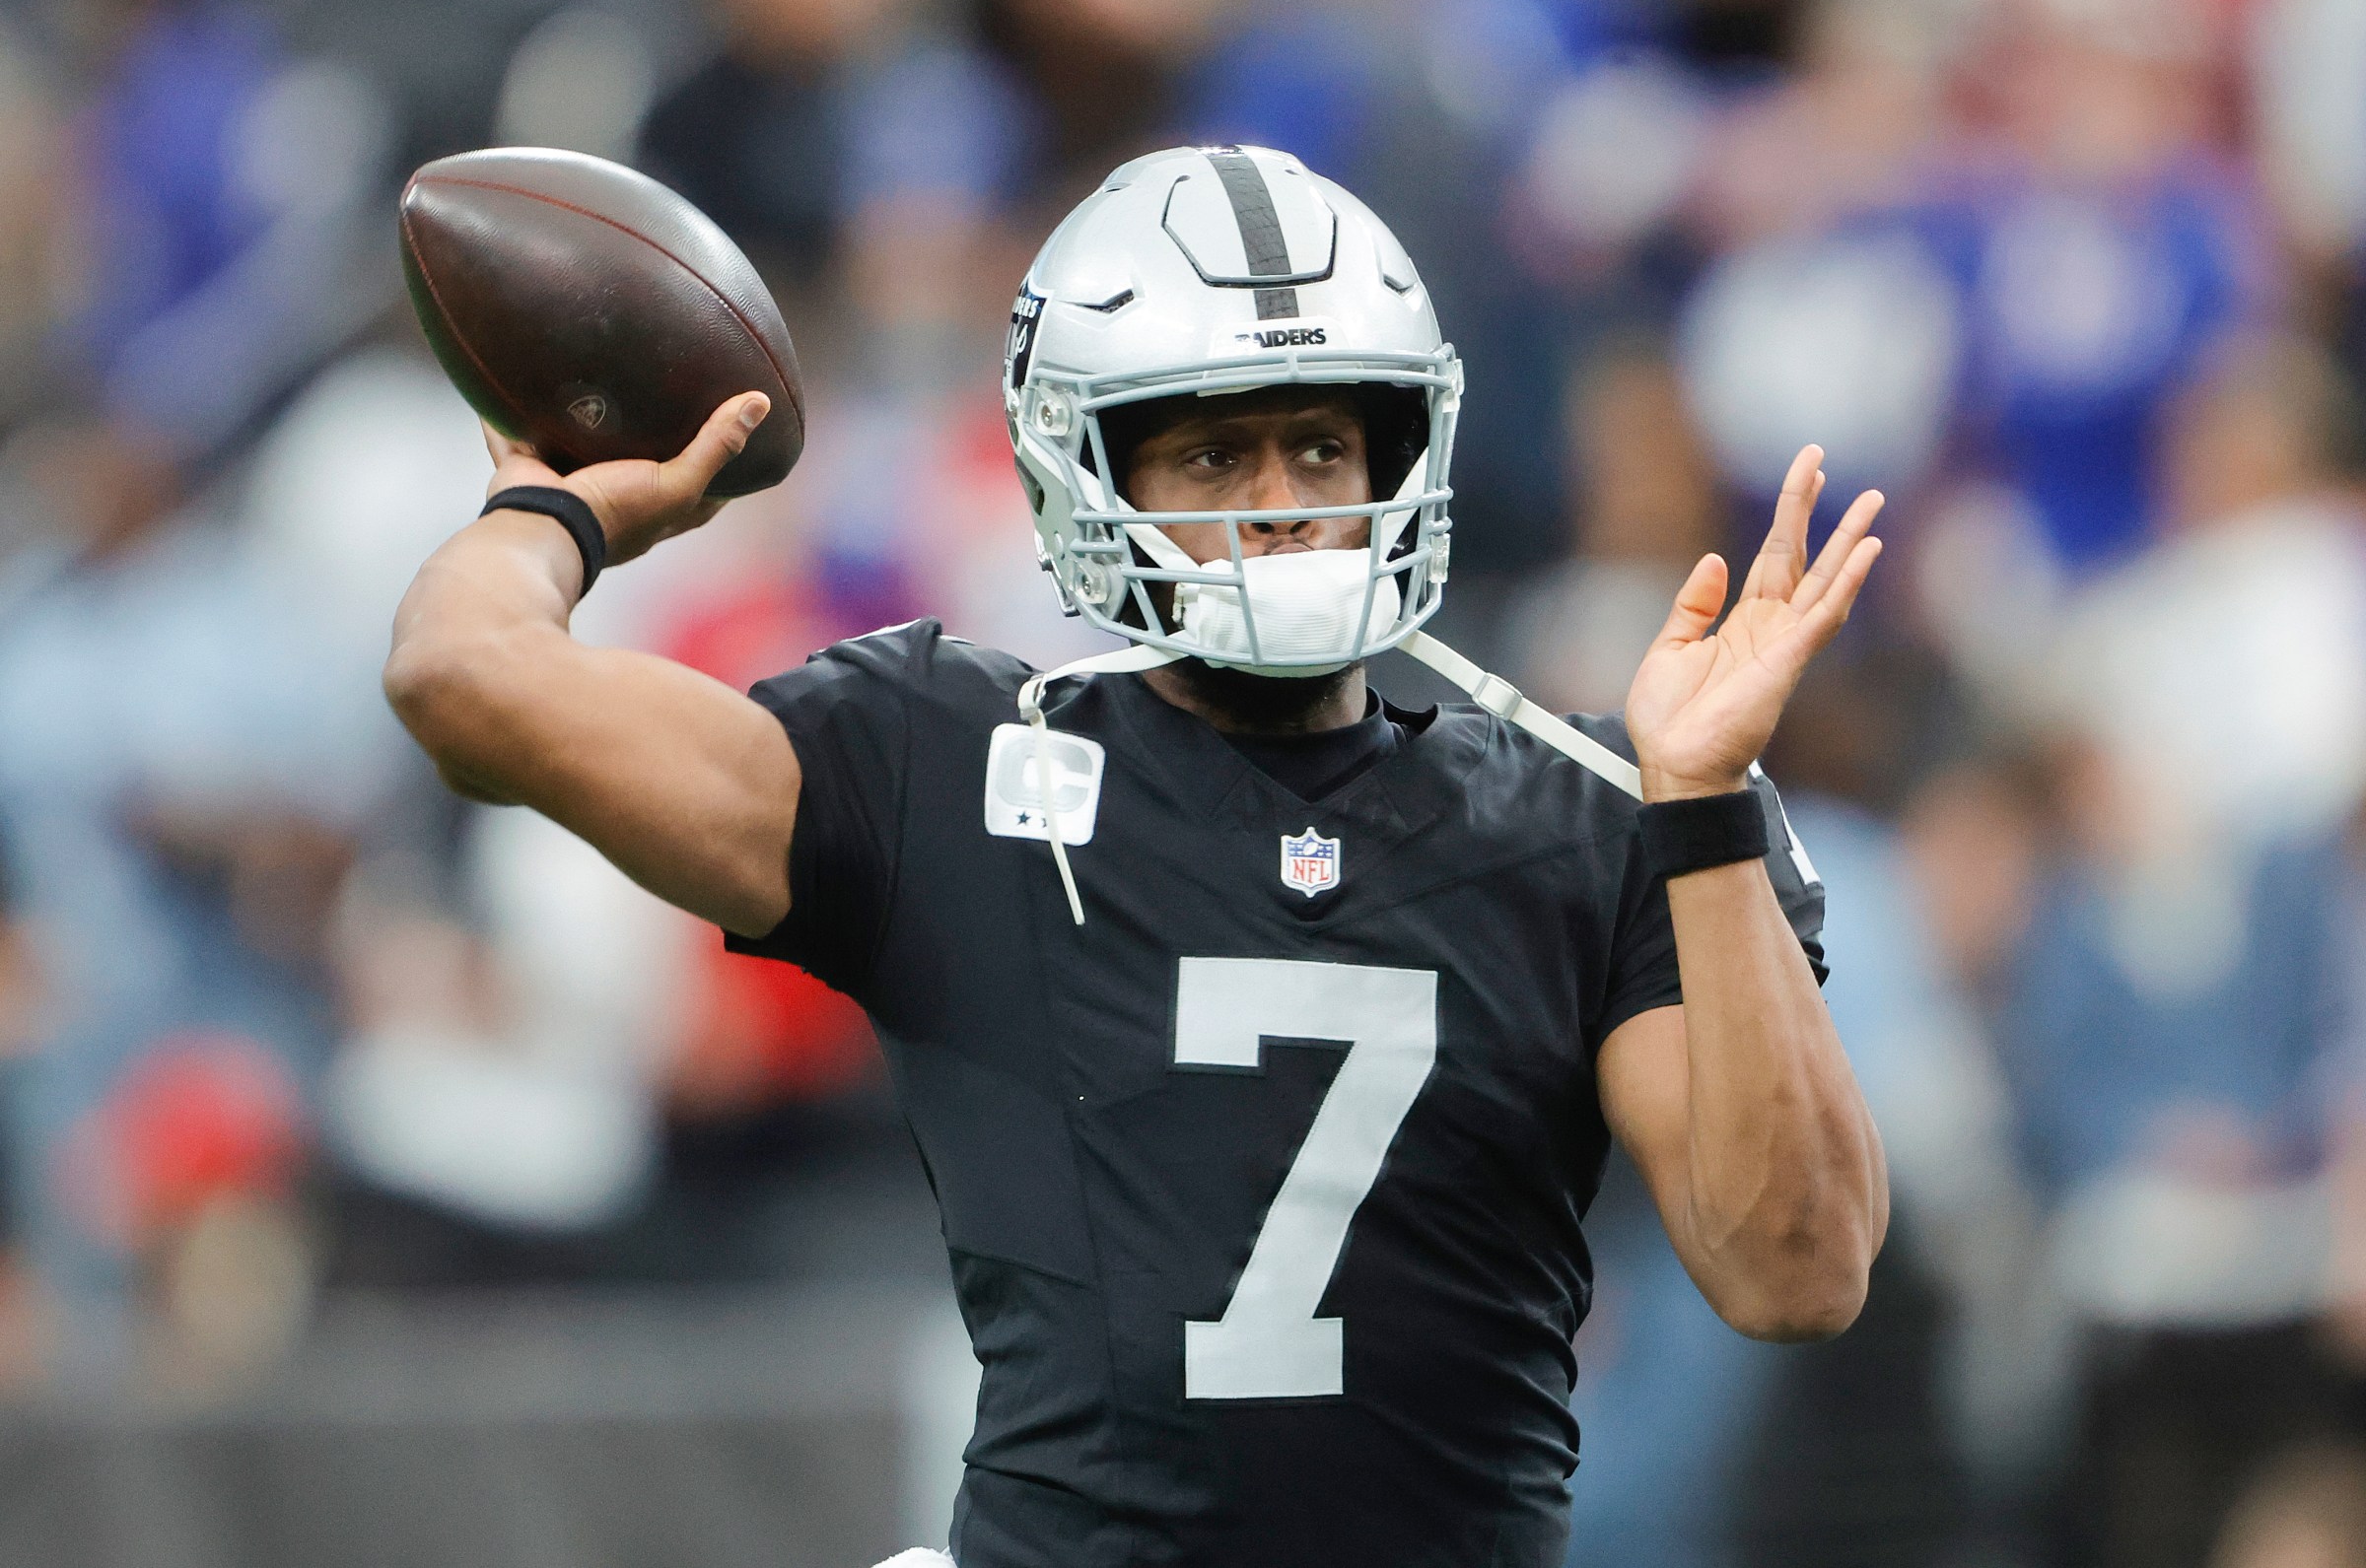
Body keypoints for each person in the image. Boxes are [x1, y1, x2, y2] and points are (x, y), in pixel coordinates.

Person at [383, 145, 1889, 1568]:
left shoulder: (1596, 805)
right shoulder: (947, 759)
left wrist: (1702, 806)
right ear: (1085, 474)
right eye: (1215, 453)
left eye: (1321, 441)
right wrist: (554, 514)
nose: (1287, 505)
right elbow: (469, 686)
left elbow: (1796, 1275)